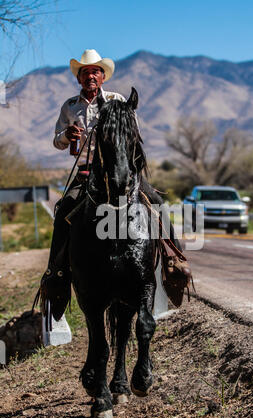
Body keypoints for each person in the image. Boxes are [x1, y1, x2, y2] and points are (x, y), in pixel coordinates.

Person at [37, 49, 191, 319]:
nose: (90, 76)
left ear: (103, 76)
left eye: (95, 71)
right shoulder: (70, 106)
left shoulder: (118, 101)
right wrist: (66, 135)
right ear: (79, 78)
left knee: (156, 202)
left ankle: (173, 261)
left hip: (121, 170)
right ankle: (56, 274)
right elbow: (57, 141)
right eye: (85, 72)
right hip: (86, 172)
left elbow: (135, 134)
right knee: (64, 210)